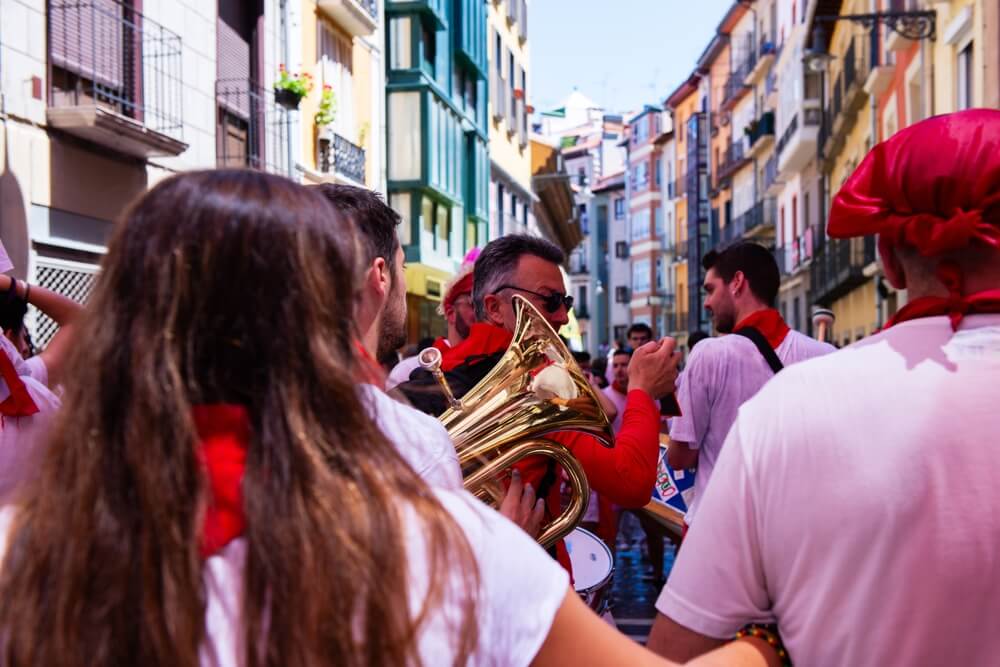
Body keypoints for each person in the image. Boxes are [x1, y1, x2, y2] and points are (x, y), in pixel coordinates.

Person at [0, 169, 781, 667]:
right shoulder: (442, 544)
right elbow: (631, 478)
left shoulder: (27, 546)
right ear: (318, 312)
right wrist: (759, 643)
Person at [648, 109, 1000, 665]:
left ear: (888, 259)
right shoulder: (807, 371)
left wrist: (767, 643)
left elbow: (677, 652)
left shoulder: (791, 405)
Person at [399, 234, 681, 575]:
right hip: (524, 579)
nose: (563, 316)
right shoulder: (540, 385)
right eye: (550, 301)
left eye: (567, 301)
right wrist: (642, 390)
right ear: (493, 308)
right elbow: (631, 482)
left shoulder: (437, 375)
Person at [665, 242, 834, 528]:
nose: (706, 303)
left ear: (737, 283)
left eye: (710, 289)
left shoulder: (709, 354)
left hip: (719, 531)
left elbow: (680, 457)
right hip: (794, 532)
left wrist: (667, 397)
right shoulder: (825, 356)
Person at [313, 184, 464, 491]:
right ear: (380, 274)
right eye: (403, 266)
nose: (405, 284)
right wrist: (505, 535)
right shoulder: (420, 442)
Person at [386, 249, 479, 390]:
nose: (483, 311)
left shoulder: (493, 364)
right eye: (474, 303)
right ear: (450, 312)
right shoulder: (407, 370)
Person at [0, 272, 82, 388]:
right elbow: (79, 320)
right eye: (25, 337)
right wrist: (14, 285)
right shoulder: (24, 383)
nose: (26, 348)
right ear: (7, 339)